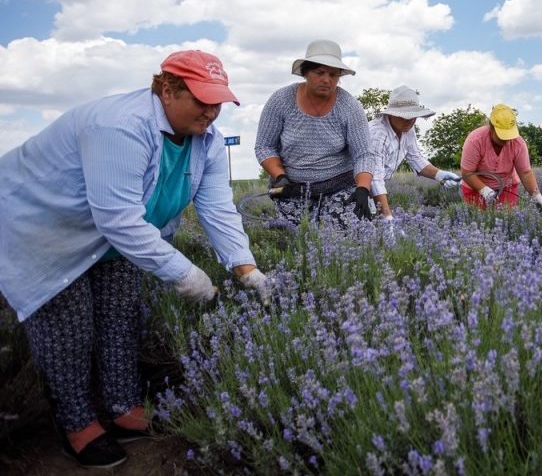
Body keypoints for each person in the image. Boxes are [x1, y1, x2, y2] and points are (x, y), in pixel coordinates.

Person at [0, 50, 269, 469]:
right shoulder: (121, 126)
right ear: (166, 88)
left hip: (121, 235)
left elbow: (218, 208)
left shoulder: (208, 141)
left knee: (122, 316)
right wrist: (186, 274)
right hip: (45, 227)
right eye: (201, 100)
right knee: (69, 327)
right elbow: (119, 218)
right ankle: (77, 422)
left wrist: (244, 265)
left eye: (218, 101)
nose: (211, 112)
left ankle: (123, 407)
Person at [254, 39, 374, 225]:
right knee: (293, 237)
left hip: (339, 185)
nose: (326, 80)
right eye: (320, 73)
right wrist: (279, 176)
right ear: (305, 73)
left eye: (333, 75)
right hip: (292, 187)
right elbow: (264, 146)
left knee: (345, 234)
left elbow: (363, 154)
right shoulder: (281, 101)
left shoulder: (349, 107)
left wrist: (363, 189)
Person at [367, 85, 461, 220]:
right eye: (405, 116)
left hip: (374, 192)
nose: (410, 120)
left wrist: (439, 174)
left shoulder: (408, 130)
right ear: (391, 114)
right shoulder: (378, 133)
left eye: (413, 116)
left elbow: (415, 157)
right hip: (353, 188)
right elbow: (375, 179)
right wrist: (387, 217)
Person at [460, 103, 542, 211]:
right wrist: (484, 190)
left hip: (506, 188)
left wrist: (537, 196)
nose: (506, 140)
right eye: (502, 135)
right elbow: (467, 173)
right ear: (492, 128)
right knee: (478, 221)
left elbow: (525, 173)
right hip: (475, 188)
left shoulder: (518, 143)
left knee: (507, 219)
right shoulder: (475, 140)